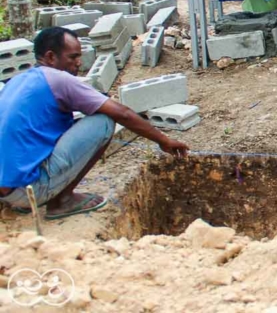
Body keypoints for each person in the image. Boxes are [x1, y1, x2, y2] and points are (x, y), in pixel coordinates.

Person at [0, 27, 190, 220]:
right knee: (104, 120)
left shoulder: (16, 82)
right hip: (29, 189)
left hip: (8, 191)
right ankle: (62, 201)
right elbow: (122, 114)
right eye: (72, 57)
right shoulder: (59, 80)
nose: (78, 63)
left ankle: (26, 200)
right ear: (50, 57)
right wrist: (163, 140)